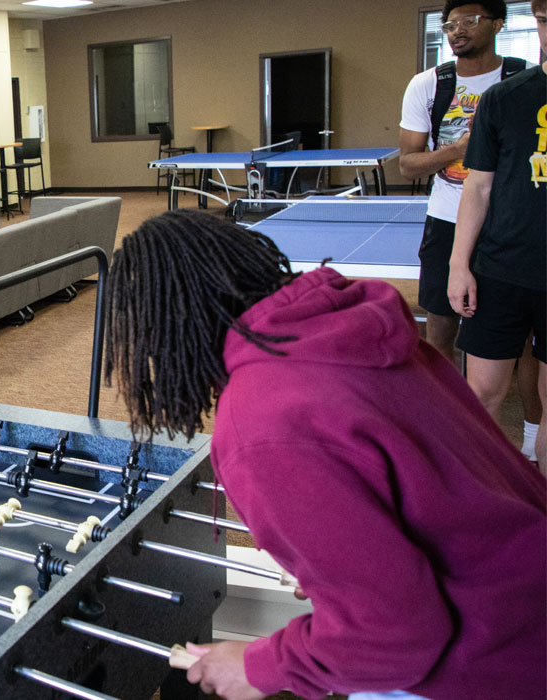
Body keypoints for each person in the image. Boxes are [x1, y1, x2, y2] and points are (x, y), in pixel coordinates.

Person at [104, 210, 546, 700]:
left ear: (163, 335)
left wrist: (258, 667)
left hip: (494, 662)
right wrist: (332, 564)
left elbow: (394, 636)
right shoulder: (349, 322)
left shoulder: (261, 421)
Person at [398, 0, 540, 461]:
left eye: (469, 21)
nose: (457, 30)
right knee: (440, 326)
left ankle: (530, 439)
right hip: (447, 223)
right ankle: (444, 434)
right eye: (450, 24)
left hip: (513, 229)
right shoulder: (430, 84)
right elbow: (408, 163)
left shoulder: (518, 78)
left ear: (498, 24)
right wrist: (460, 148)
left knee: (523, 348)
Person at [449, 0, 547, 467]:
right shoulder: (506, 98)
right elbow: (479, 187)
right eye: (546, 19)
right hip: (500, 271)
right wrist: (458, 265)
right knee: (481, 397)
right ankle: (476, 513)